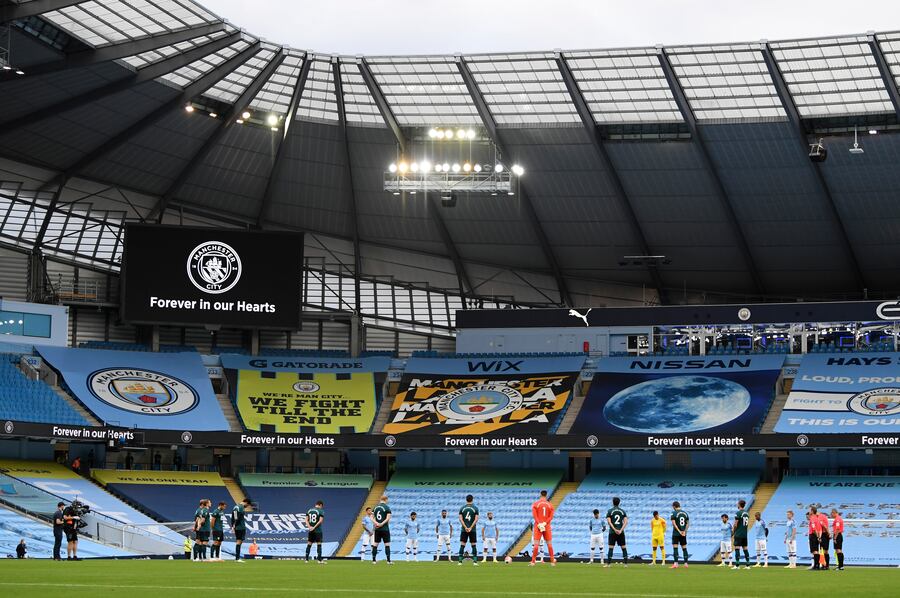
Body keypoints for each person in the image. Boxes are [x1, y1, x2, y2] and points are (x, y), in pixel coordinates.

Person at [605, 496, 628, 567]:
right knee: (623, 547)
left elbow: (609, 522)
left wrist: (615, 529)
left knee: (611, 547)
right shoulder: (623, 511)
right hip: (621, 532)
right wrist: (620, 530)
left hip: (612, 532)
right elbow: (626, 522)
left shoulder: (610, 511)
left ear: (613, 502)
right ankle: (625, 564)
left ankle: (608, 564)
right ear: (619, 503)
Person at [458, 494, 480, 566]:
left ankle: (460, 562)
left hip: (464, 530)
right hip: (472, 530)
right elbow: (476, 519)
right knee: (473, 545)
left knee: (462, 545)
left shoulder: (462, 508)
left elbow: (460, 519)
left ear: (466, 499)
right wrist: (470, 527)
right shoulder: (475, 508)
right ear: (472, 499)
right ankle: (475, 562)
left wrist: (465, 527)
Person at [372, 494, 393, 564]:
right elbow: (388, 518)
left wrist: (376, 523)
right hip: (385, 529)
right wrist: (381, 524)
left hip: (377, 529)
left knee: (375, 544)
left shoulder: (375, 507)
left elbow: (371, 517)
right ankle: (388, 561)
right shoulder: (387, 508)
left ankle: (374, 560)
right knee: (387, 544)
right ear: (386, 500)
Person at [670, 501, 690, 568]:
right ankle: (686, 563)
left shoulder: (674, 513)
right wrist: (684, 531)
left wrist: (679, 531)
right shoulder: (685, 513)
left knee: (675, 547)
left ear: (674, 506)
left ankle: (676, 564)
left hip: (676, 533)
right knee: (684, 548)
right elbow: (688, 523)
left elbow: (674, 523)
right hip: (683, 533)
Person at [231, 497, 252, 561]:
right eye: (247, 505)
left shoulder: (235, 507)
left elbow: (233, 518)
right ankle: (237, 558)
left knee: (238, 541)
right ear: (246, 503)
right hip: (240, 527)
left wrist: (233, 526)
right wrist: (235, 526)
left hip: (237, 527)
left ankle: (237, 558)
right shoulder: (241, 507)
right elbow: (237, 518)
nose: (247, 507)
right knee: (239, 542)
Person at [733, 499, 750, 569]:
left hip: (739, 533)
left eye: (737, 504)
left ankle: (737, 565)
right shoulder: (747, 513)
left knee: (737, 548)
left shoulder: (738, 513)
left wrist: (733, 531)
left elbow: (735, 524)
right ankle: (748, 565)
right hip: (745, 534)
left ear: (739, 505)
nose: (737, 505)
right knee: (745, 548)